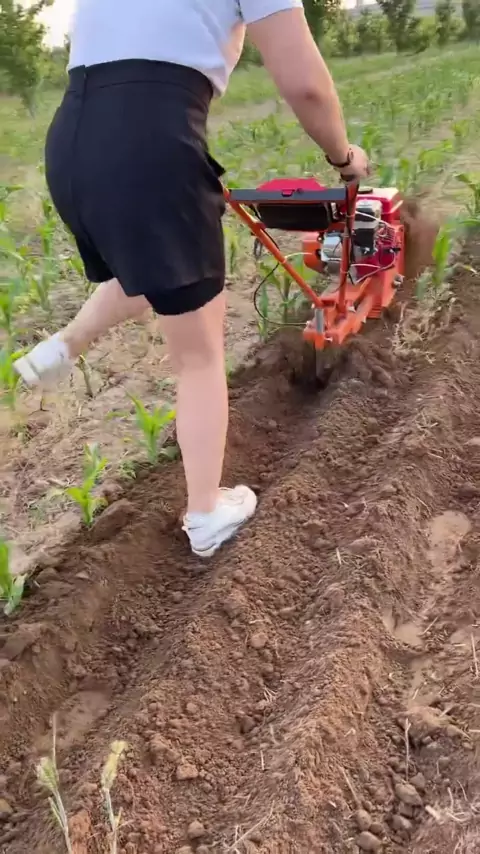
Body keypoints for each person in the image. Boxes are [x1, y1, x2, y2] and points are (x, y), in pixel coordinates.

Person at [15, 0, 370, 558]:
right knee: (199, 355)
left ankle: (63, 346)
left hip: (72, 145)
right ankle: (206, 513)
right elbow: (306, 86)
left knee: (156, 268)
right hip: (151, 142)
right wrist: (345, 159)